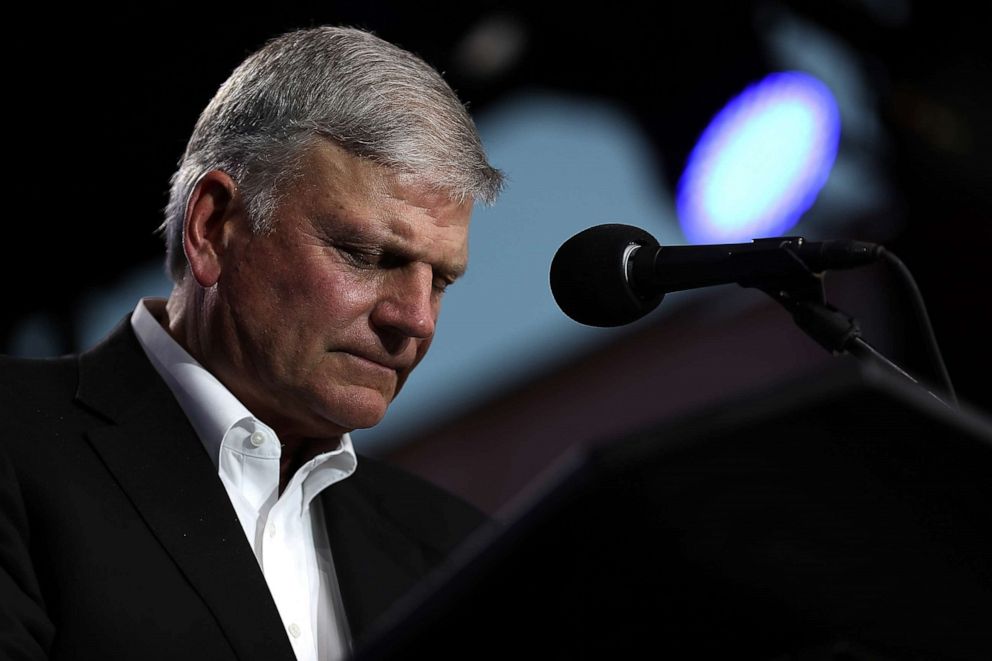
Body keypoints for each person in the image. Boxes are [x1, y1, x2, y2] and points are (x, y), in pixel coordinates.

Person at [0, 26, 502, 661]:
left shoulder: (460, 552)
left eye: (442, 281)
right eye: (366, 255)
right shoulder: (15, 441)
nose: (416, 319)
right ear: (212, 227)